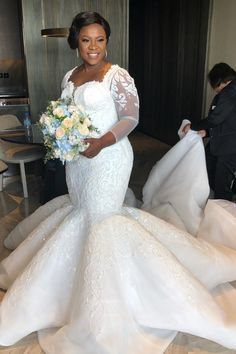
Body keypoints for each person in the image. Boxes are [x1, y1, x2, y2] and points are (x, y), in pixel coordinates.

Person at [0, 11, 236, 354]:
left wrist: (101, 143)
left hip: (109, 158)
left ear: (106, 41)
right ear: (76, 43)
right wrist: (64, 138)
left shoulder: (117, 75)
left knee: (103, 218)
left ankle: (108, 304)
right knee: (82, 213)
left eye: (100, 40)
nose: (94, 47)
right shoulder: (70, 75)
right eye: (86, 40)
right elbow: (67, 116)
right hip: (78, 162)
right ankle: (69, 289)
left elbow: (130, 117)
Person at [183, 62, 236, 201]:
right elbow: (229, 120)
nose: (215, 89)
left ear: (220, 80)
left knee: (222, 183)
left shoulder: (230, 92)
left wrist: (193, 127)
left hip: (229, 147)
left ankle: (222, 213)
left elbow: (216, 118)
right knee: (209, 167)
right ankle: (215, 202)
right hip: (223, 141)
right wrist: (206, 132)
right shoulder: (231, 90)